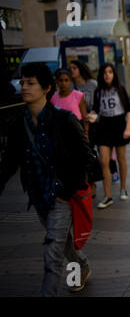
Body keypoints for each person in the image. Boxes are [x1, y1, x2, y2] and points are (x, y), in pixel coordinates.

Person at [0, 63, 94, 296]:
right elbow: (9, 163)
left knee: (52, 253)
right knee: (61, 242)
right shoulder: (17, 125)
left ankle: (65, 283)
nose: (24, 87)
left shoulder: (63, 120)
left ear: (46, 88)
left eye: (30, 83)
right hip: (39, 197)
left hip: (62, 197)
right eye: (22, 82)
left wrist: (71, 188)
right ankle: (81, 265)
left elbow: (86, 156)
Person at [92, 63, 130, 209]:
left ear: (114, 74)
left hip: (119, 125)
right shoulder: (98, 91)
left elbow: (129, 110)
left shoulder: (120, 90)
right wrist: (89, 116)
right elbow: (95, 111)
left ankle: (123, 188)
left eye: (110, 72)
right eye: (104, 72)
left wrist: (127, 128)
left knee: (121, 158)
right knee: (104, 161)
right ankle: (107, 196)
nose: (107, 75)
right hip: (103, 126)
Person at [69, 60, 103, 198]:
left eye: (74, 68)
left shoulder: (92, 84)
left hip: (91, 125)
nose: (72, 70)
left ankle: (93, 183)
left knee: (90, 154)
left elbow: (99, 104)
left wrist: (93, 115)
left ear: (81, 69)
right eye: (70, 68)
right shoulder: (70, 85)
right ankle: (83, 182)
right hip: (75, 125)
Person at [51, 68, 89, 135]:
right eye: (60, 80)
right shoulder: (53, 98)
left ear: (70, 81)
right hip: (61, 132)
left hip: (77, 130)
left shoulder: (78, 95)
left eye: (66, 80)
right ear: (56, 81)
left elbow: (84, 116)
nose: (63, 83)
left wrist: (86, 132)